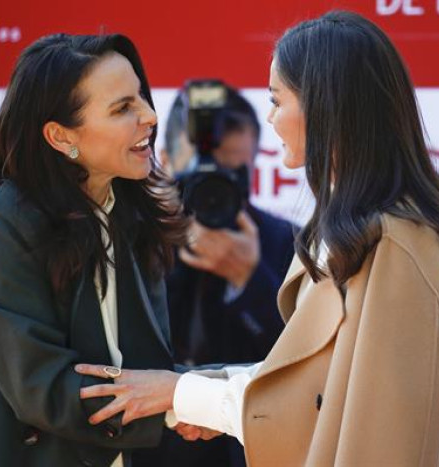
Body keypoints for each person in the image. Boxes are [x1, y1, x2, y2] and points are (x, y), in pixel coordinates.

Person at [75, 10, 439, 467]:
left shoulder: (396, 238)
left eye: (277, 99)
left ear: (326, 107)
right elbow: (316, 387)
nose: (272, 118)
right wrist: (192, 397)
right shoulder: (353, 230)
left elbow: (374, 425)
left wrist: (185, 386)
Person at [0, 33, 187, 467]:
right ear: (61, 136)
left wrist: (207, 397)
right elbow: (43, 387)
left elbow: (146, 366)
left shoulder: (133, 215)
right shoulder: (0, 223)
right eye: (123, 108)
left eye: (140, 96)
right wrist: (181, 408)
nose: (149, 115)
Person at [135, 86, 294, 467]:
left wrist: (250, 280)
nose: (215, 188)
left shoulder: (288, 244)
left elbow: (299, 371)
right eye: (203, 174)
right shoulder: (131, 238)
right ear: (165, 159)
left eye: (233, 174)